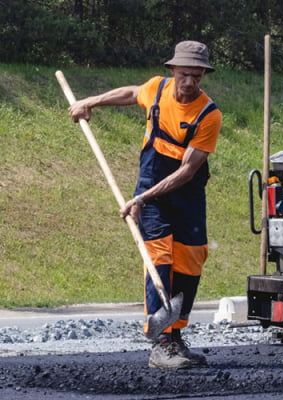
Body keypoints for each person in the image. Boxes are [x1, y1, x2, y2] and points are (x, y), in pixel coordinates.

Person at [68, 41, 222, 369]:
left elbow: (187, 171)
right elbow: (131, 93)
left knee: (191, 261)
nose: (189, 82)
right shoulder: (157, 89)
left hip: (185, 193)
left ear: (204, 75)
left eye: (197, 76)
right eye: (184, 74)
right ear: (172, 71)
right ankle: (160, 344)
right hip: (152, 195)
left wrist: (140, 198)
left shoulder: (209, 115)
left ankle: (176, 337)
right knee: (159, 259)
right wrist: (90, 102)